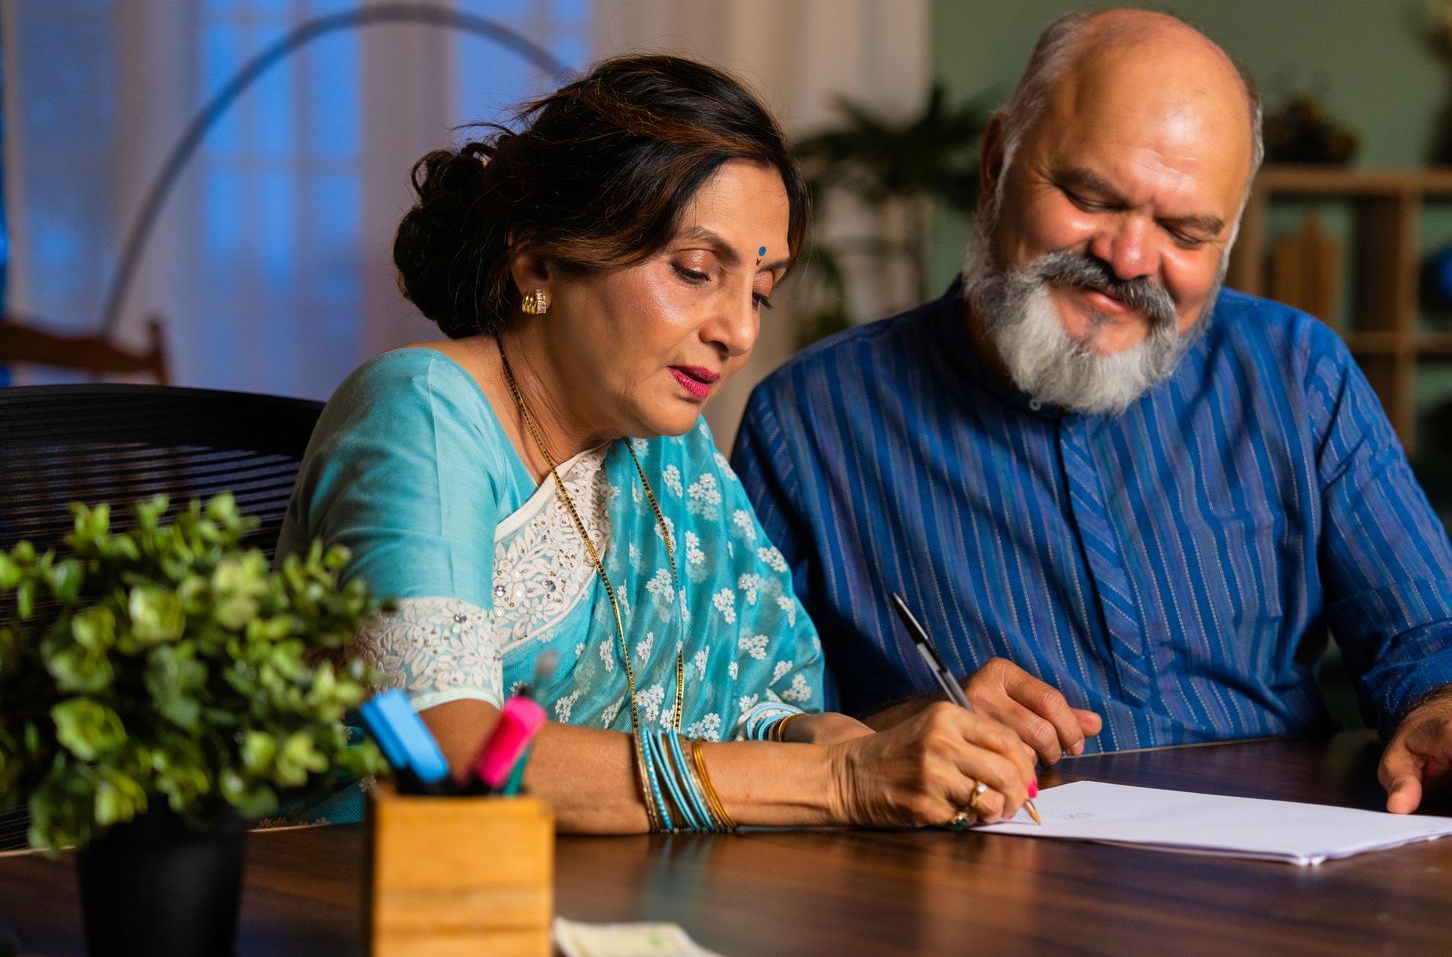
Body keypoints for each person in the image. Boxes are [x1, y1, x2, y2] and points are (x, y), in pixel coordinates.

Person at [732, 11, 1452, 831]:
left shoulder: (1296, 373)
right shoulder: (810, 419)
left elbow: (1437, 630)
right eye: (1093, 196)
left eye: (1186, 232)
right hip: (974, 893)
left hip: (1278, 896)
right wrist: (900, 725)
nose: (1129, 259)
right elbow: (746, 716)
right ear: (999, 159)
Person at [280, 54, 1036, 833]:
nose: (738, 332)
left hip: (609, 893)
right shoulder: (422, 412)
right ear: (540, 260)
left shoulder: (669, 453)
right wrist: (835, 776)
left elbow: (753, 701)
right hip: (368, 898)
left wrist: (825, 733)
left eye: (759, 295)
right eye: (695, 270)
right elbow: (450, 756)